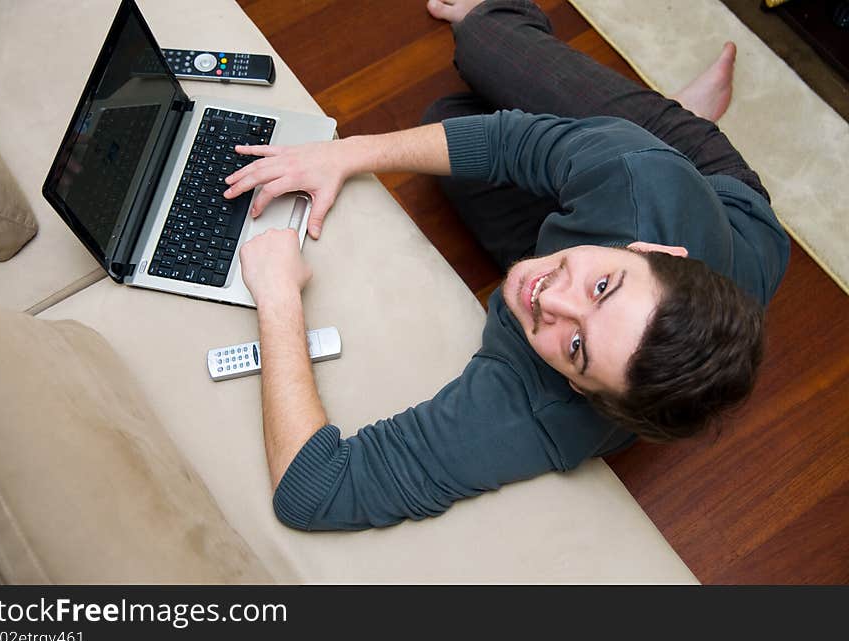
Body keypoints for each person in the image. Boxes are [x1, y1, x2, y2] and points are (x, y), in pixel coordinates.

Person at [224, 0, 789, 530]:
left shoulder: (545, 411)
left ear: (587, 393)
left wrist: (278, 299)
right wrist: (343, 152)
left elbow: (314, 492)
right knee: (481, 40)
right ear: (652, 252)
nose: (549, 299)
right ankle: (678, 118)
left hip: (681, 224)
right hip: (717, 187)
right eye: (601, 286)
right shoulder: (643, 178)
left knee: (449, 116)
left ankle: (661, 120)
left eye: (576, 349)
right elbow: (509, 141)